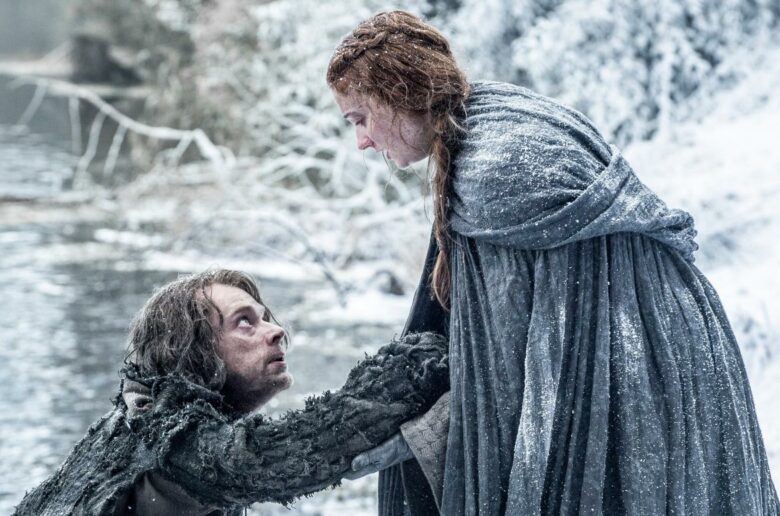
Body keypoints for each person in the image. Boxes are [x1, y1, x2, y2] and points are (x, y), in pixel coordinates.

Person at [328, 10, 780, 515]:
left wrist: (418, 436)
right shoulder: (495, 115)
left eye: (360, 119)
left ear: (398, 92)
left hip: (638, 378)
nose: (362, 142)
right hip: (680, 357)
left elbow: (512, 374)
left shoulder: (493, 172)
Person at [14, 269, 449, 515]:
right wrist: (415, 365)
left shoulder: (140, 414)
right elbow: (302, 448)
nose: (275, 330)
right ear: (192, 350)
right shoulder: (171, 439)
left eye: (265, 317)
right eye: (245, 322)